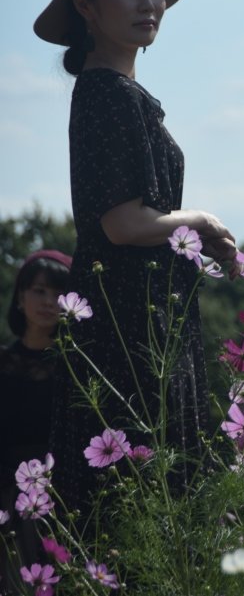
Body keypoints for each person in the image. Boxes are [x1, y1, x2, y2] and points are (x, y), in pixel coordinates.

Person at [34, 0, 241, 519]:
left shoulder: (117, 93)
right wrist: (199, 219)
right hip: (127, 328)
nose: (148, 1)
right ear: (87, 7)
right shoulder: (107, 95)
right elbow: (121, 225)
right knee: (135, 511)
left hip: (144, 319)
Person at [0, 250, 71, 592]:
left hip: (63, 497)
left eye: (59, 293)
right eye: (39, 290)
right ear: (20, 297)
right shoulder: (3, 362)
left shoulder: (77, 367)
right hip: (6, 499)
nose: (48, 302)